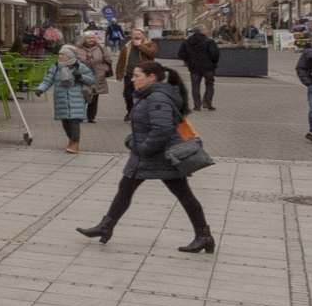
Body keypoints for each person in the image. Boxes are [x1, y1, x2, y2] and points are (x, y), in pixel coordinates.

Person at [76, 59, 214, 254]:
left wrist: (142, 148)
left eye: (137, 75)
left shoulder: (157, 98)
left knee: (183, 194)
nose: (132, 79)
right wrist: (135, 143)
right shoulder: (149, 95)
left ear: (152, 77)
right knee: (125, 188)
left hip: (161, 157)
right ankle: (105, 226)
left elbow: (162, 130)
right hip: (146, 156)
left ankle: (204, 236)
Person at [33, 45, 93, 153]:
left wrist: (81, 77)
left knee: (74, 121)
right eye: (60, 54)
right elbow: (48, 80)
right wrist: (40, 89)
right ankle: (70, 139)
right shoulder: (56, 66)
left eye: (63, 55)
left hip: (76, 99)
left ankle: (76, 143)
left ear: (70, 56)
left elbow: (92, 80)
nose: (60, 56)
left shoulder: (79, 66)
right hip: (61, 99)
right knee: (65, 122)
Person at [116, 29, 159, 112]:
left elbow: (152, 53)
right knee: (127, 95)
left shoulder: (150, 44)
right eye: (134, 34)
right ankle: (130, 112)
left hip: (145, 76)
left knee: (144, 94)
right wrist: (119, 73)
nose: (136, 36)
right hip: (130, 75)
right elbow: (121, 61)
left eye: (138, 34)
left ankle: (143, 112)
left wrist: (140, 45)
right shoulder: (127, 46)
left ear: (143, 36)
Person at [180, 26, 220, 112]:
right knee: (209, 84)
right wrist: (213, 62)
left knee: (195, 86)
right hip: (208, 67)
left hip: (194, 67)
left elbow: (181, 53)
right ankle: (207, 102)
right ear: (201, 31)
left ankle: (197, 105)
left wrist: (188, 61)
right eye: (206, 29)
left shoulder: (188, 41)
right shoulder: (209, 41)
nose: (207, 30)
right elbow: (215, 54)